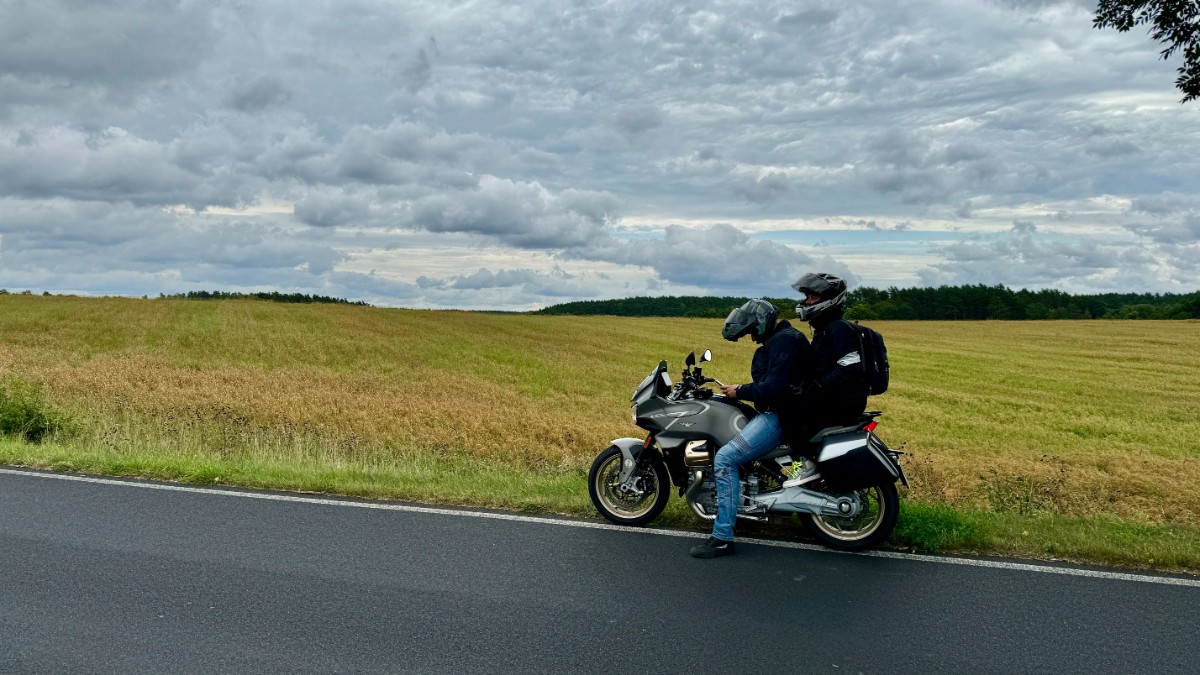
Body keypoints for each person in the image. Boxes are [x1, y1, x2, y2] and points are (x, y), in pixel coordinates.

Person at [689, 298, 812, 559]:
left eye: (752, 332)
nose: (753, 338)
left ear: (761, 323)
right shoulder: (784, 338)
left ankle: (722, 538)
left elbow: (775, 387)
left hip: (782, 416)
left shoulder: (783, 341)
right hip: (789, 412)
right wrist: (741, 391)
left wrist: (741, 391)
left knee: (725, 459)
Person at [790, 273, 869, 429]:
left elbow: (851, 366)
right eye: (808, 297)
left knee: (789, 418)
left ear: (830, 300)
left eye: (813, 297)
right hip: (832, 397)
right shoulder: (824, 329)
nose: (807, 302)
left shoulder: (839, 328)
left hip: (842, 402)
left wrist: (817, 386)